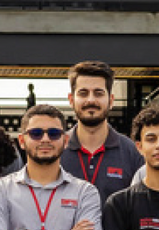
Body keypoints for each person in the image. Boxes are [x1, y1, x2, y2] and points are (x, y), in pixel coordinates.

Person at [60, 60, 142, 204]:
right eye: (83, 93)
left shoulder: (132, 153)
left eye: (98, 93)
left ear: (111, 100)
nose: (91, 100)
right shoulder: (57, 149)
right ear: (71, 100)